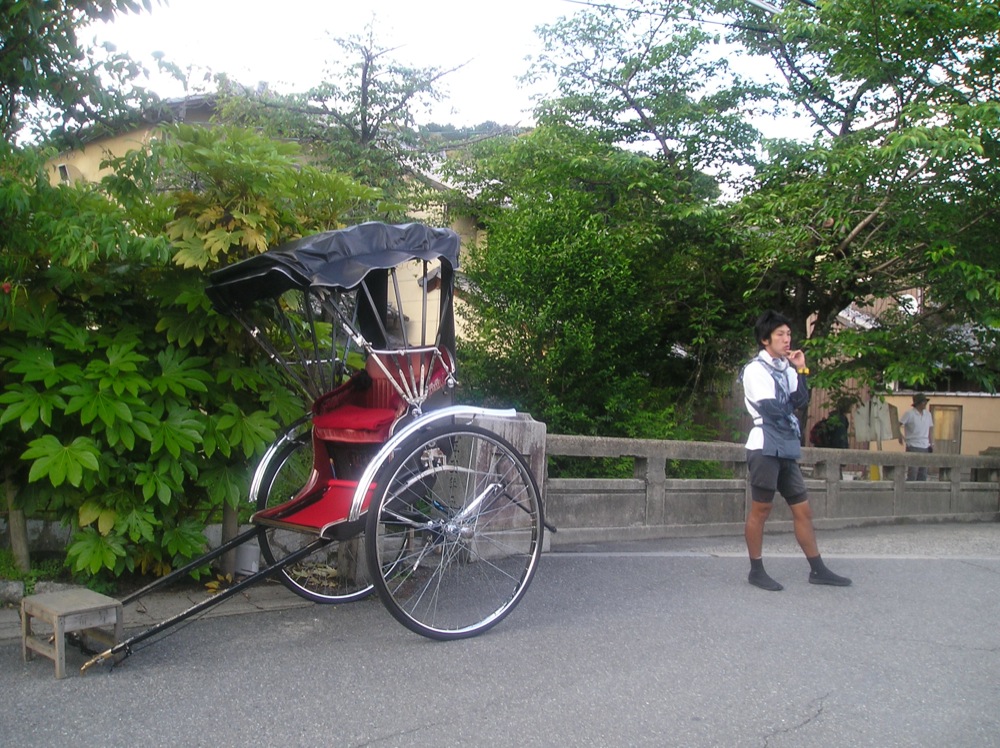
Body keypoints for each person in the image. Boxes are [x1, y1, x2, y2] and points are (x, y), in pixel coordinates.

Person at [740, 310, 852, 591]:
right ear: (765, 339)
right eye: (780, 334)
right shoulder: (755, 369)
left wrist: (802, 369)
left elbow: (801, 398)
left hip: (786, 444)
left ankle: (818, 569)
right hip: (764, 442)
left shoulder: (786, 369)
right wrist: (792, 403)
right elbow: (773, 410)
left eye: (789, 334)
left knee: (803, 509)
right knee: (761, 509)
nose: (787, 339)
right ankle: (756, 570)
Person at [898, 393, 934, 481]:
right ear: (918, 403)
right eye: (923, 402)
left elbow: (930, 429)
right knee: (913, 472)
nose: (925, 404)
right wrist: (900, 436)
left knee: (923, 472)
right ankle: (909, 491)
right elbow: (897, 425)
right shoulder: (909, 414)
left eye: (925, 402)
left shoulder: (928, 414)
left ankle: (920, 491)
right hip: (913, 445)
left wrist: (931, 443)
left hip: (925, 445)